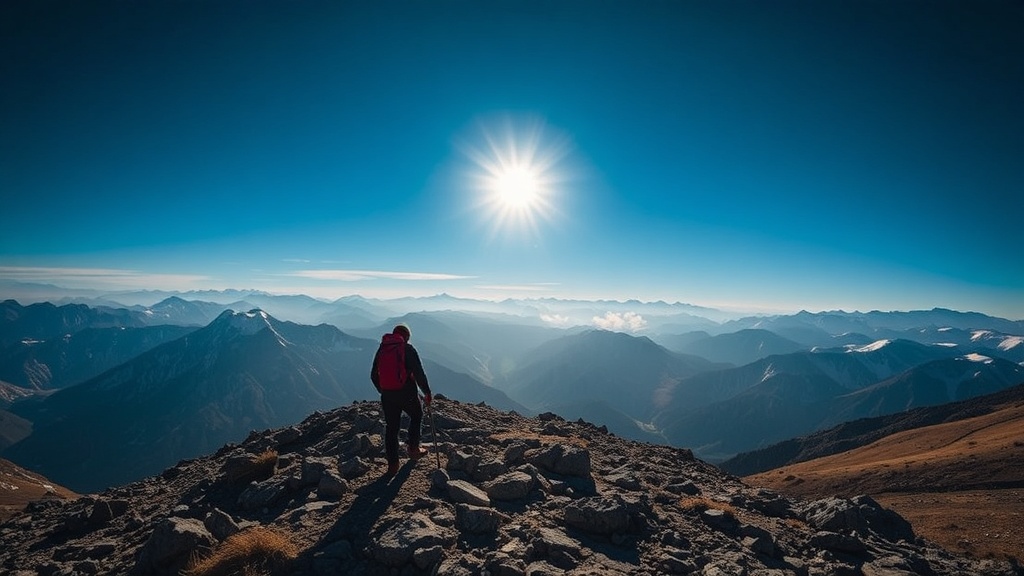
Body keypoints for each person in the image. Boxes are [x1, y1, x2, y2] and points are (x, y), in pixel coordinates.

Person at [370, 323, 432, 476]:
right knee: (417, 415)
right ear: (406, 337)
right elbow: (419, 374)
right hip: (406, 393)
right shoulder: (407, 349)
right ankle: (413, 448)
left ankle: (393, 465)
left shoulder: (382, 348)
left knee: (391, 428)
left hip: (387, 395)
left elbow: (373, 375)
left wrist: (383, 389)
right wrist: (427, 393)